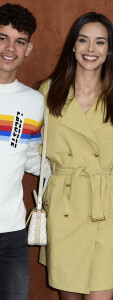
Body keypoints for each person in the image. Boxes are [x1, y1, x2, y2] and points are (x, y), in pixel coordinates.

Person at [37, 12, 113, 300]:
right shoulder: (48, 92)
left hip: (105, 201)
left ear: (109, 51)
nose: (90, 49)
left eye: (100, 42)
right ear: (73, 45)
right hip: (64, 203)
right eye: (83, 40)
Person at [0, 3, 43, 300]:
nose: (10, 48)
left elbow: (30, 158)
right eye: (2, 37)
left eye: (20, 40)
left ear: (29, 48)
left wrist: (71, 163)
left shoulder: (34, 101)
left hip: (12, 233)